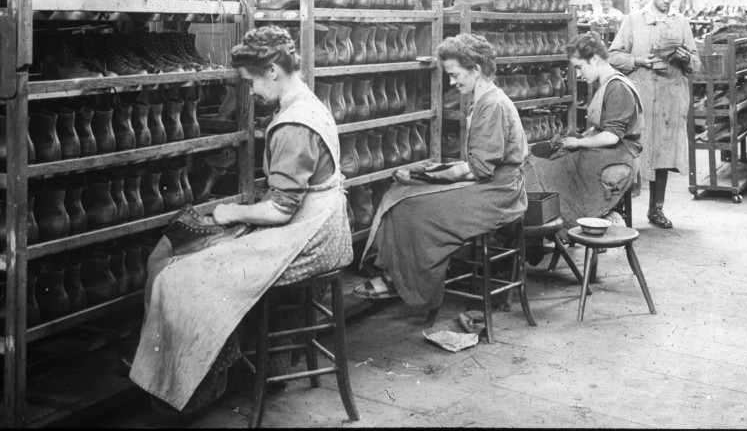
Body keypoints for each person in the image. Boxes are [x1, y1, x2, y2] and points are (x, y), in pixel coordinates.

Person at [129, 27, 353, 415]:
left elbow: (281, 209)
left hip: (313, 236)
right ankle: (208, 366)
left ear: (271, 71)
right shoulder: (307, 101)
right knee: (209, 257)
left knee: (181, 275)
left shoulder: (294, 124)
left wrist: (231, 212)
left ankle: (192, 383)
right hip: (324, 221)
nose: (250, 92)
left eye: (251, 82)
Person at [353, 34, 527, 307]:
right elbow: (478, 164)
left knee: (410, 207)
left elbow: (478, 170)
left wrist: (426, 176)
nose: (451, 82)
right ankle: (396, 274)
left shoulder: (491, 105)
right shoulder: (484, 99)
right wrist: (431, 172)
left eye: (455, 74)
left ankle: (406, 282)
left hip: (498, 195)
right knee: (404, 191)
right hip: (494, 185)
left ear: (476, 70)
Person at [608, 0, 700, 228]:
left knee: (664, 154)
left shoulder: (681, 22)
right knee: (634, 153)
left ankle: (655, 210)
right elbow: (613, 55)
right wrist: (637, 60)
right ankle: (620, 212)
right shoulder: (634, 20)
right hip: (641, 97)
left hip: (671, 99)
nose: (667, 0)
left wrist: (685, 58)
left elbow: (697, 63)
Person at [524, 33, 643, 234]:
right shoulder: (608, 84)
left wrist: (579, 143)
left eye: (580, 67)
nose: (578, 74)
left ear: (594, 59)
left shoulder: (617, 87)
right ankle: (546, 225)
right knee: (547, 158)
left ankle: (554, 227)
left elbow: (612, 136)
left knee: (548, 167)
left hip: (617, 157)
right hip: (609, 152)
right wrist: (581, 136)